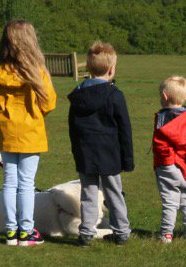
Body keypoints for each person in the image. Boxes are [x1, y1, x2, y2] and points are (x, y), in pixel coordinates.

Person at [0, 20, 57, 247]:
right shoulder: (38, 72)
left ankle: (10, 231)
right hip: (31, 132)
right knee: (26, 183)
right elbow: (49, 104)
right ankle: (25, 231)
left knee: (9, 182)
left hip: (7, 132)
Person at [66, 40, 133, 246]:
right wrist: (127, 160)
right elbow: (125, 129)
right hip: (110, 153)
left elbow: (73, 129)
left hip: (85, 152)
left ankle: (86, 231)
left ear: (88, 67)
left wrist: (77, 152)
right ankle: (121, 230)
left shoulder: (78, 96)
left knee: (89, 193)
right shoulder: (115, 95)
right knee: (114, 192)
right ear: (111, 70)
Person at [151, 75, 186, 243]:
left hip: (168, 165)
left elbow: (160, 145)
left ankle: (167, 233)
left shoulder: (162, 118)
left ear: (164, 97)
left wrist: (166, 161)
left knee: (170, 200)